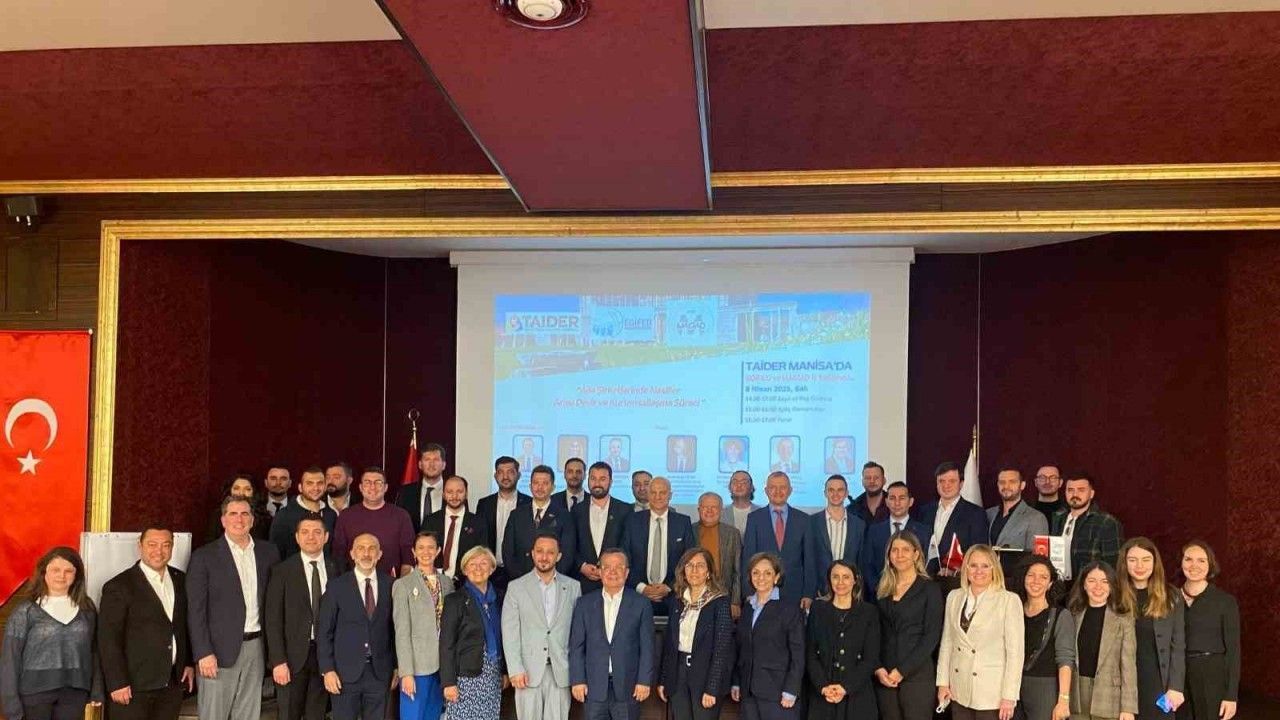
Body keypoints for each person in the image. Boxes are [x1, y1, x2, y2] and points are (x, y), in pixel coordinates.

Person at [187, 496, 280, 720]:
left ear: (252, 520)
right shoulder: (204, 556)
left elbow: (274, 603)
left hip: (257, 647)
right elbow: (195, 610)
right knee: (214, 714)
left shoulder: (269, 553)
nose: (239, 519)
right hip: (217, 651)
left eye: (245, 514)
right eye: (233, 514)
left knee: (249, 714)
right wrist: (203, 652)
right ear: (223, 520)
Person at [98, 528, 194, 720]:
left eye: (166, 545)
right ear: (140, 546)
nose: (159, 551)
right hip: (132, 687)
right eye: (152, 544)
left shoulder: (181, 579)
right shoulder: (119, 586)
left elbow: (184, 626)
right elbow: (108, 638)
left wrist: (188, 663)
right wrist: (117, 683)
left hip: (171, 684)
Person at [1, 547, 104, 720]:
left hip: (75, 694)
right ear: (44, 573)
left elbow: (94, 652)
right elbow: (10, 659)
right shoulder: (26, 611)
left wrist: (97, 690)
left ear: (77, 575)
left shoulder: (87, 609)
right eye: (55, 570)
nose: (61, 576)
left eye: (68, 571)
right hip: (33, 695)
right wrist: (11, 704)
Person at [935, 544, 1024, 720]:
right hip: (959, 689)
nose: (979, 571)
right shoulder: (954, 596)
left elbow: (1015, 654)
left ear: (994, 569)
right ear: (966, 568)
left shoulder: (1008, 600)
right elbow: (947, 643)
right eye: (973, 565)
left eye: (985, 566)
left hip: (992, 694)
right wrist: (943, 683)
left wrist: (1009, 696)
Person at [264, 514, 337, 720]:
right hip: (291, 659)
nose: (311, 537)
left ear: (326, 537)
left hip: (325, 658)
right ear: (297, 537)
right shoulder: (282, 571)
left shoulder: (337, 568)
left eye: (317, 532)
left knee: (317, 714)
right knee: (289, 714)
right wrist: (278, 661)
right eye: (305, 532)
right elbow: (273, 619)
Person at [502, 532, 581, 720]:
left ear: (558, 556)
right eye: (539, 551)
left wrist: (577, 673)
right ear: (532, 553)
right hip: (527, 672)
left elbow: (578, 634)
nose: (544, 557)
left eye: (550, 552)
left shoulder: (573, 587)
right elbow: (510, 632)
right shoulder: (516, 587)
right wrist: (515, 669)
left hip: (561, 671)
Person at [568, 548, 654, 720]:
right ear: (600, 572)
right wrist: (577, 680)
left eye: (618, 567)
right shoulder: (584, 604)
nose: (612, 572)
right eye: (607, 567)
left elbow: (647, 647)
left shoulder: (641, 604)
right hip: (593, 687)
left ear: (627, 572)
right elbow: (577, 646)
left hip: (629, 687)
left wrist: (644, 680)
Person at [317, 533, 396, 720]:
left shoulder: (391, 585)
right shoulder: (336, 587)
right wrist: (328, 669)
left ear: (379, 554)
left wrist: (397, 667)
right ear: (352, 554)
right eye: (361, 548)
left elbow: (395, 631)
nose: (366, 553)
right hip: (344, 674)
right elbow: (324, 631)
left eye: (372, 549)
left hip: (380, 673)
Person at [657, 548, 734, 720]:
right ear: (683, 571)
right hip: (678, 675)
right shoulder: (677, 601)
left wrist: (712, 688)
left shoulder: (719, 602)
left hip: (705, 676)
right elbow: (670, 645)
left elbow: (722, 649)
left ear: (709, 572)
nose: (694, 570)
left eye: (700, 565)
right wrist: (664, 679)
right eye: (689, 565)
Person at [873, 531, 942, 720]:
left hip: (917, 677)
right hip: (885, 677)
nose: (899, 555)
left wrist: (902, 671)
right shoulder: (882, 589)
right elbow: (875, 633)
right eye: (894, 550)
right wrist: (878, 668)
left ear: (916, 554)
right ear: (889, 556)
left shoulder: (930, 589)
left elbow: (931, 636)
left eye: (905, 550)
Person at [1115, 538, 1185, 720]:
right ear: (1124, 563)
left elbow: (1178, 645)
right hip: (1121, 684)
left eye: (1146, 560)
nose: (1139, 566)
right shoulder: (1114, 595)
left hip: (1159, 685)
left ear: (1155, 563)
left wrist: (1176, 687)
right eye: (1133, 560)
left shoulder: (1171, 596)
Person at [731, 552, 804, 720]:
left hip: (778, 692)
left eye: (767, 573)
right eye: (756, 573)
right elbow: (740, 648)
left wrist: (791, 690)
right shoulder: (747, 608)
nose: (761, 578)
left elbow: (798, 654)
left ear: (776, 577)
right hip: (748, 691)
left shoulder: (789, 609)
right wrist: (736, 681)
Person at [805, 560, 880, 720]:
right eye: (835, 577)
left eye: (846, 577)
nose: (840, 582)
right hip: (823, 696)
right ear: (829, 580)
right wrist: (823, 687)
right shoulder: (818, 610)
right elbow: (810, 654)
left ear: (855, 580)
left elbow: (870, 658)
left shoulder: (869, 613)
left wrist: (845, 688)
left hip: (857, 696)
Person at [393, 531, 455, 720]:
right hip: (417, 667)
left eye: (430, 547)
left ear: (438, 551)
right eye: (420, 548)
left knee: (433, 715)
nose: (426, 552)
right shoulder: (403, 585)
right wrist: (406, 673)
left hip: (442, 666)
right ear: (413, 552)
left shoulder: (447, 583)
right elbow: (402, 632)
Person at [440, 547, 507, 720]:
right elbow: (446, 644)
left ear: (492, 569)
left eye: (483, 563)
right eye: (472, 564)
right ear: (464, 570)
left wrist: (505, 671)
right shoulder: (454, 600)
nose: (478, 568)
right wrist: (448, 682)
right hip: (465, 678)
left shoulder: (500, 599)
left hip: (493, 675)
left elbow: (505, 638)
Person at [1066, 562, 1137, 720]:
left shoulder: (1123, 619)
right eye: (1092, 581)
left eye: (1105, 581)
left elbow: (1129, 666)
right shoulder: (1072, 615)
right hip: (1076, 695)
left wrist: (1128, 707)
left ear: (1112, 586)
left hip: (1110, 696)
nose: (1098, 587)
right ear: (1084, 585)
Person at [1177, 541, 1238, 720]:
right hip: (1176, 675)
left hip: (1211, 676)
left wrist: (1231, 695)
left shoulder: (1224, 602)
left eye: (1201, 560)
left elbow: (1234, 651)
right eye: (1188, 559)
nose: (1194, 565)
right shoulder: (1169, 599)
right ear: (1181, 563)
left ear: (1210, 564)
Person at [621, 476, 696, 615]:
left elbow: (689, 560)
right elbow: (624, 558)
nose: (658, 497)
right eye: (653, 492)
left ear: (670, 495)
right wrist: (642, 588)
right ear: (648, 495)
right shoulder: (632, 521)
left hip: (674, 596)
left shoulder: (683, 522)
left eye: (662, 492)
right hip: (637, 596)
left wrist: (669, 587)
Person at [1014, 556, 1074, 720]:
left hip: (1045, 689)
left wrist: (1063, 700)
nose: (1036, 581)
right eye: (1031, 575)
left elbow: (1065, 659)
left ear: (1050, 583)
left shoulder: (1061, 615)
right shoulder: (1013, 610)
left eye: (1043, 577)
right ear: (1023, 578)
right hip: (1012, 688)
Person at [741, 472, 813, 607]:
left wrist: (808, 593)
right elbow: (748, 558)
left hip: (795, 593)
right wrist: (749, 592)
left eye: (783, 487)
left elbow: (809, 560)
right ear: (766, 491)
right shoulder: (754, 518)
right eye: (773, 487)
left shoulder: (804, 519)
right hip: (761, 590)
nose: (778, 491)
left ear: (790, 490)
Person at [332, 467, 416, 577]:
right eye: (367, 483)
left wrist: (402, 583)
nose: (372, 487)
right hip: (353, 583)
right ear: (361, 487)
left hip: (392, 583)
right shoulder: (345, 516)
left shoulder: (401, 516)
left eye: (378, 483)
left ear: (385, 487)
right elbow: (338, 554)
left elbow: (408, 555)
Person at [917, 461, 988, 578]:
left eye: (952, 481)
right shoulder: (924, 511)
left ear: (961, 484)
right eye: (941, 481)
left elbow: (979, 551)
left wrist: (956, 571)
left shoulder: (975, 513)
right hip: (925, 579)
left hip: (955, 580)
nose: (946, 485)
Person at [504, 465, 575, 579]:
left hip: (553, 581)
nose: (540, 487)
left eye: (545, 483)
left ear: (553, 487)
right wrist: (522, 580)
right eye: (536, 483)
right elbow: (508, 552)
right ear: (530, 486)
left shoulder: (564, 516)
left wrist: (550, 578)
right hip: (521, 580)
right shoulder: (516, 515)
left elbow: (567, 554)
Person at [863, 483, 931, 602]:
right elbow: (867, 565)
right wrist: (881, 590)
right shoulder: (874, 531)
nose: (897, 503)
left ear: (911, 502)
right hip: (880, 598)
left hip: (914, 599)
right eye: (892, 498)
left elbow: (927, 565)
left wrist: (911, 592)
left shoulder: (924, 532)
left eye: (902, 498)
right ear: (886, 502)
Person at [1049, 474, 1124, 582]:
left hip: (1088, 587)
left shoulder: (1106, 523)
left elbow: (1113, 565)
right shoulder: (1058, 518)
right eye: (1070, 490)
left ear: (1091, 494)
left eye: (1081, 490)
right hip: (1059, 585)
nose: (1075, 494)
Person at [571, 462, 632, 593]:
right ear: (588, 480)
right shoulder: (576, 510)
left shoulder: (625, 510)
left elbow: (627, 546)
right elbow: (570, 545)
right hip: (583, 583)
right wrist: (582, 566)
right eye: (593, 478)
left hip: (615, 580)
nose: (597, 483)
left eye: (602, 479)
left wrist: (609, 567)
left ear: (611, 482)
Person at [807, 474, 868, 598]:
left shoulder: (859, 525)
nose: (835, 494)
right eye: (831, 490)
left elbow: (861, 562)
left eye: (840, 490)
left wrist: (858, 592)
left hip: (849, 593)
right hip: (820, 593)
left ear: (846, 493)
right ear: (825, 493)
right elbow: (808, 560)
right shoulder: (811, 522)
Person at [478, 455, 532, 594]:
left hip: (520, 572)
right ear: (495, 476)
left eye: (510, 472)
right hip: (490, 570)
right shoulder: (484, 504)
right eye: (501, 472)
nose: (505, 476)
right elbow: (480, 538)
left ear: (518, 475)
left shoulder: (529, 503)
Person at [424, 475, 490, 582]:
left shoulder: (478, 523)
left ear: (466, 494)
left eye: (459, 491)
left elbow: (481, 556)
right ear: (443, 494)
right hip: (433, 581)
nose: (454, 496)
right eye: (450, 492)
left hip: (466, 583)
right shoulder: (430, 521)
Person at [986, 467, 1049, 577]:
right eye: (1002, 482)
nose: (1006, 486)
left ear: (1022, 485)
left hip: (1016, 580)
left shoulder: (1036, 518)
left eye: (1012, 482)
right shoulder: (988, 514)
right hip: (987, 578)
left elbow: (1037, 559)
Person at [270, 466, 338, 559]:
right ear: (300, 487)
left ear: (325, 486)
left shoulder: (331, 515)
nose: (315, 488)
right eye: (309, 483)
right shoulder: (284, 516)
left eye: (320, 483)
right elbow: (275, 552)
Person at [694, 492, 742, 617]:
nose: (709, 511)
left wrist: (735, 601)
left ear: (721, 510)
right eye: (705, 507)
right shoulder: (689, 530)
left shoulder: (732, 534)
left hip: (724, 597)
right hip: (694, 598)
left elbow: (738, 571)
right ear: (699, 510)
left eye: (714, 507)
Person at [205, 473, 272, 543]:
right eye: (236, 488)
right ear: (229, 491)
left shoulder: (265, 519)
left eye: (247, 489)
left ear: (254, 493)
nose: (241, 493)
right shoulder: (217, 515)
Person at [398, 445, 447, 533]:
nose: (431, 464)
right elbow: (399, 522)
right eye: (427, 460)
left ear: (443, 465)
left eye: (436, 460)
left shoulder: (454, 492)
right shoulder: (406, 492)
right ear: (420, 465)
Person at [721, 471, 759, 535]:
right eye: (735, 482)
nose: (739, 485)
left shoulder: (761, 514)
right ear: (729, 488)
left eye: (744, 482)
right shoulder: (721, 514)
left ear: (751, 488)